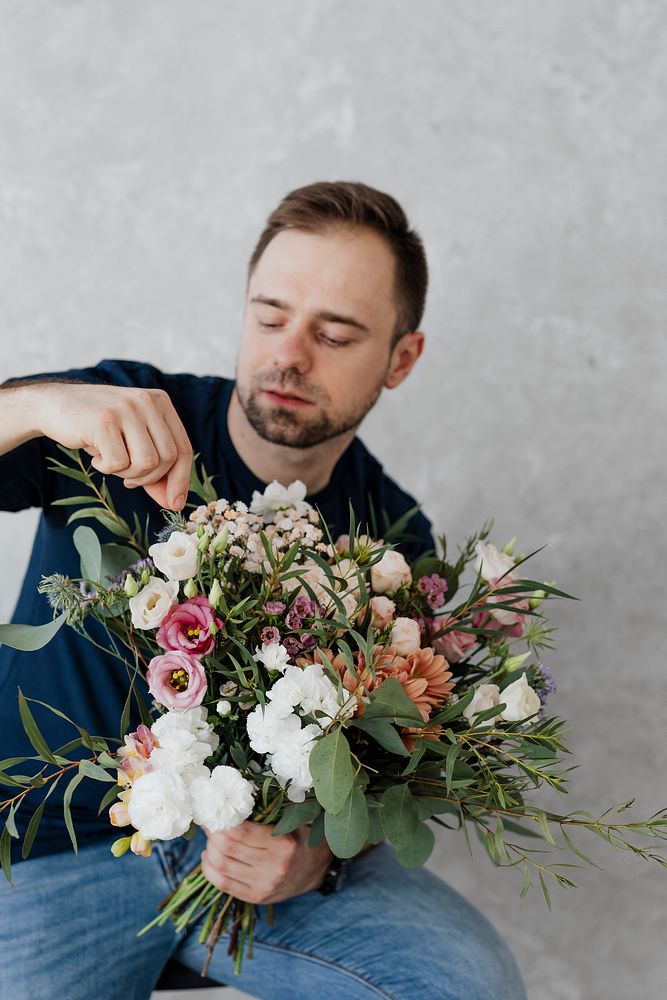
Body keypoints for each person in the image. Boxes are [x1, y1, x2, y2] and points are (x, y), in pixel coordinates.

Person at [0, 181, 526, 999]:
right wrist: (37, 406)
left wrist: (316, 854)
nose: (290, 355)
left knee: (467, 983)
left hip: (250, 876)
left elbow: (384, 772)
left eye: (336, 333)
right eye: (270, 316)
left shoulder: (396, 547)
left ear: (401, 358)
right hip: (50, 849)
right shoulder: (115, 416)